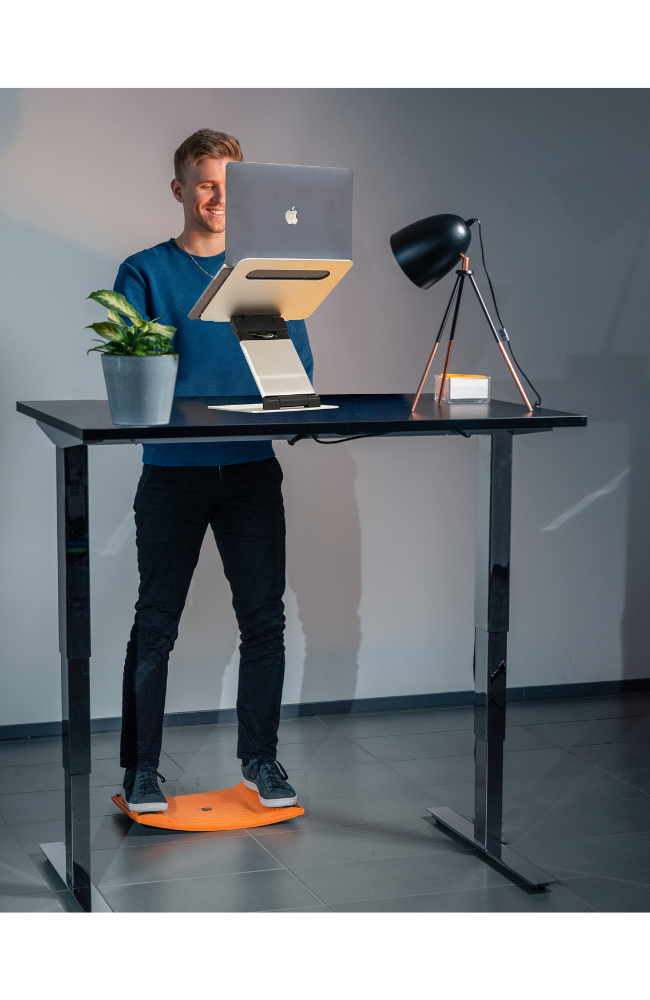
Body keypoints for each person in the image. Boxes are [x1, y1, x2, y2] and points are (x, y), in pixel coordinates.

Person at [117, 129, 312, 813]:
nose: (217, 196)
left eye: (229, 185)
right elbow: (135, 376)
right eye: (205, 183)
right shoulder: (144, 272)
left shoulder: (259, 277)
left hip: (252, 471)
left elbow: (294, 377)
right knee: (156, 622)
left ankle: (261, 760)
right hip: (173, 471)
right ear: (180, 189)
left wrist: (277, 372)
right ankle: (141, 770)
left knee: (264, 621)